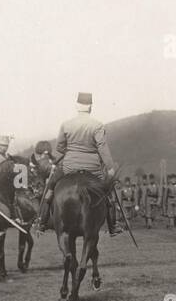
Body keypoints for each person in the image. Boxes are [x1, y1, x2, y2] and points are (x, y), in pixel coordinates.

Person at [37, 92, 117, 232]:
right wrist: (110, 167)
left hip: (69, 166)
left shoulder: (66, 124)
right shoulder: (97, 125)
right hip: (93, 168)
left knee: (50, 188)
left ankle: (42, 221)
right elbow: (102, 148)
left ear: (77, 106)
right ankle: (113, 226)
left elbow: (60, 148)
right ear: (91, 107)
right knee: (108, 193)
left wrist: (72, 148)